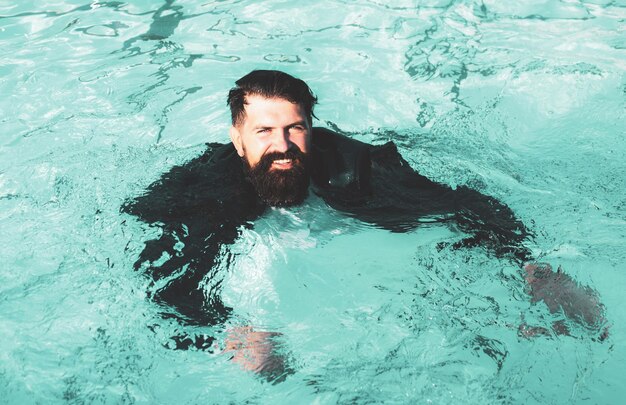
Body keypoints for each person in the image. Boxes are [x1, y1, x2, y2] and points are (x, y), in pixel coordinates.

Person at [121, 70, 606, 367]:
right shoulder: (202, 189)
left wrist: (535, 270)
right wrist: (228, 336)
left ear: (312, 129)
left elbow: (464, 204)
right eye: (264, 131)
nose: (282, 145)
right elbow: (163, 279)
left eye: (294, 128)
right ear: (236, 136)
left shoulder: (356, 169)